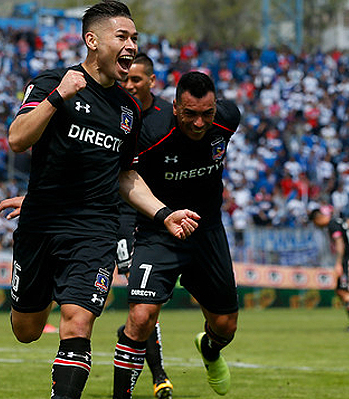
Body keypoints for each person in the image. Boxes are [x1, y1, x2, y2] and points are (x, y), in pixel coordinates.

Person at [0, 2, 199, 398]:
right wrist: (57, 98)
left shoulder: (127, 109)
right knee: (26, 331)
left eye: (134, 38)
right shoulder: (51, 83)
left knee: (77, 323)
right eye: (122, 37)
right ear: (92, 41)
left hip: (94, 230)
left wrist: (164, 213)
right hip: (40, 227)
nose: (130, 45)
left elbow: (126, 177)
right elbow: (17, 139)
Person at [113, 71, 242, 398]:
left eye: (206, 114)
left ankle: (210, 350)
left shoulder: (228, 119)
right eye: (190, 114)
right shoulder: (149, 133)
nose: (199, 123)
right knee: (141, 317)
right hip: (159, 232)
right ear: (174, 107)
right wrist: (162, 214)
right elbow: (123, 178)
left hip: (207, 232)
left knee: (226, 327)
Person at [116, 53, 174, 399]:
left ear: (152, 80)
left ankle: (155, 370)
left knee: (144, 305)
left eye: (137, 79)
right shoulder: (115, 111)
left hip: (157, 214)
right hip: (121, 216)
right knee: (140, 302)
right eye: (126, 79)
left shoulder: (169, 116)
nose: (129, 85)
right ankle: (158, 373)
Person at [309, 208, 349, 332]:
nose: (317, 226)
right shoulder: (339, 220)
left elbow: (339, 243)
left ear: (318, 218)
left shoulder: (332, 225)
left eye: (315, 223)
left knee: (343, 290)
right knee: (340, 290)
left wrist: (338, 263)